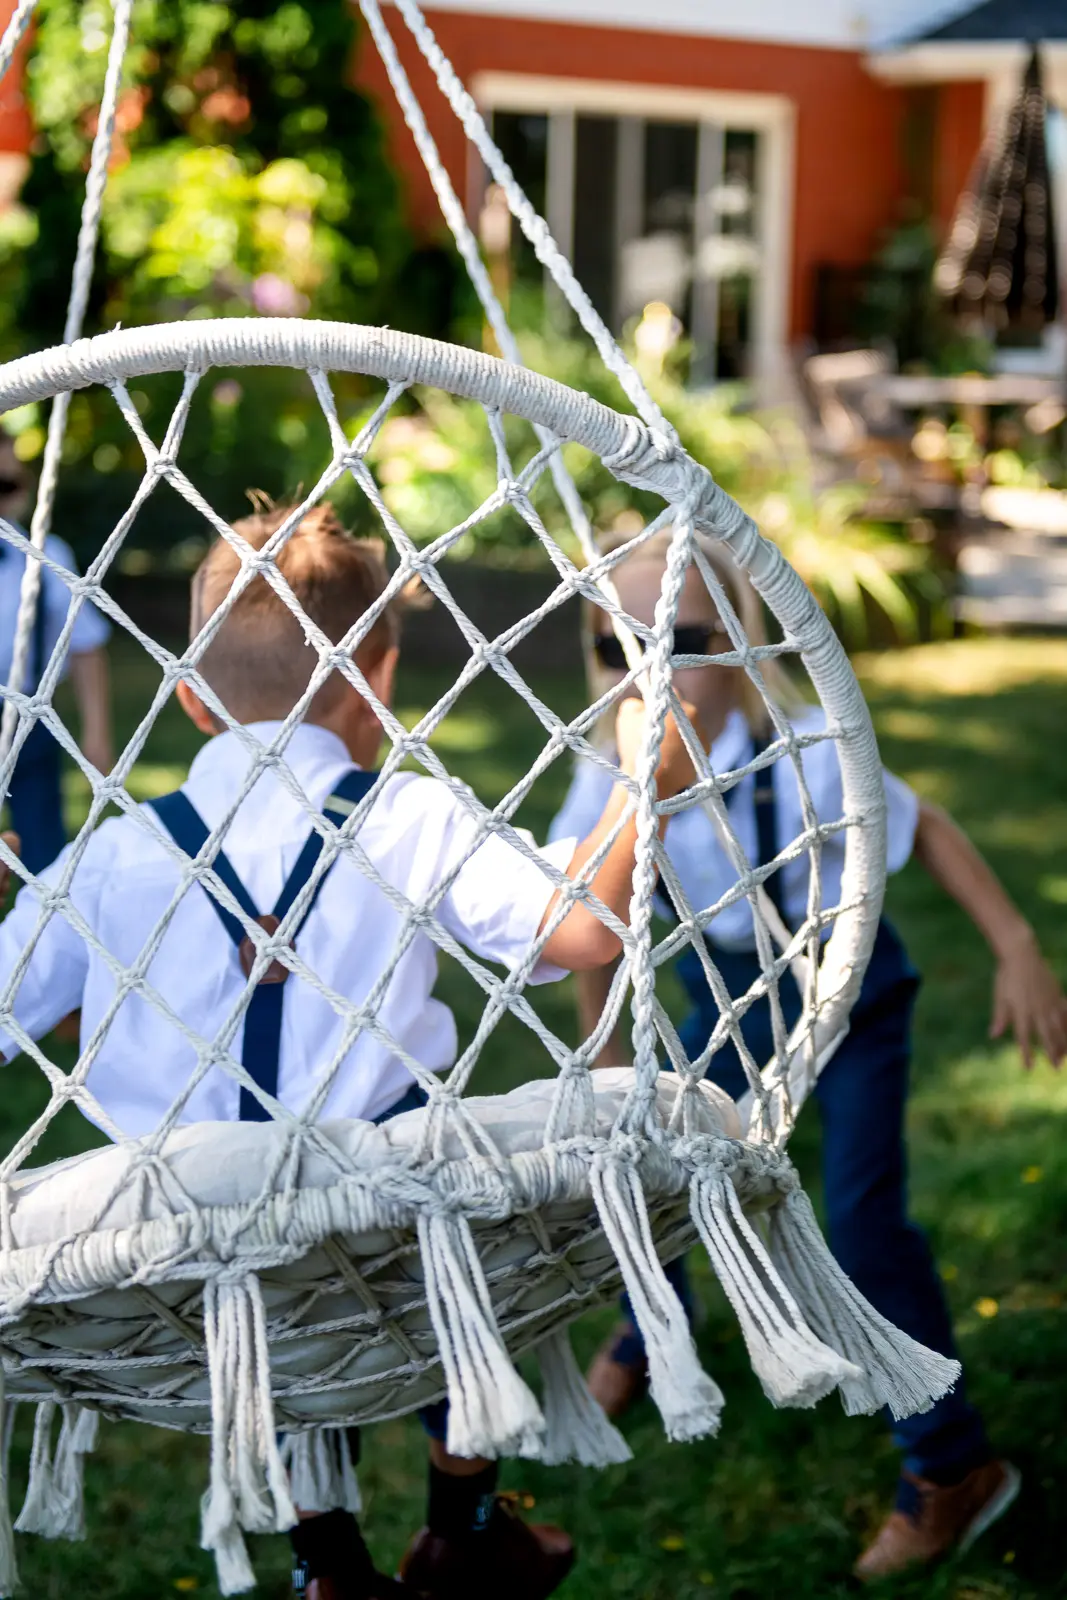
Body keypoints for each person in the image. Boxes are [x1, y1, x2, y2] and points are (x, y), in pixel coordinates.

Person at [0, 502, 698, 1600]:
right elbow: (578, 931)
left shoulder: (110, 857)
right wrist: (639, 784)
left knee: (276, 1285)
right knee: (457, 1216)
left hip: (187, 1263)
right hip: (387, 1236)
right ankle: (463, 1523)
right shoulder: (407, 817)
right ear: (378, 684)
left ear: (188, 699)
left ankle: (325, 1562)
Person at [548, 526, 1067, 1583]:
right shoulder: (607, 774)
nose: (649, 670)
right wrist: (599, 1045)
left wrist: (1015, 945)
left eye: (681, 639)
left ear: (741, 638)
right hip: (732, 1009)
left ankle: (950, 1465)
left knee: (860, 1227)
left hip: (849, 1001)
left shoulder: (808, 754)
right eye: (618, 647)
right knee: (638, 1167)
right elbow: (586, 915)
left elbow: (927, 828)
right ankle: (652, 1331)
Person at [0, 432, 113, 873]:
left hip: (28, 717)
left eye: (12, 483)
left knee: (44, 856)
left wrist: (96, 734)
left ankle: (41, 913)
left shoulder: (46, 553)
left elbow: (85, 645)